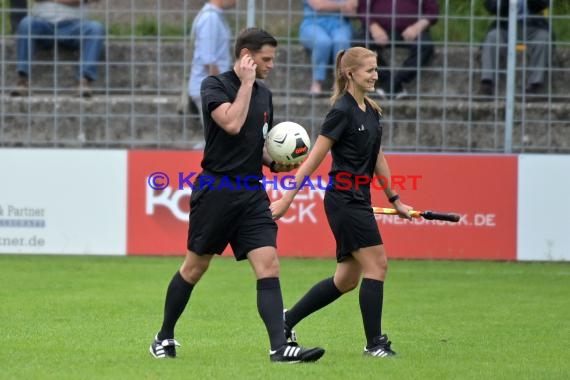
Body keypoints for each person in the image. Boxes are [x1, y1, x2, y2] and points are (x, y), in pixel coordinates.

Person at [149, 27, 325, 364]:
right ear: (246, 56)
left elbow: (253, 141)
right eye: (265, 59)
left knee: (269, 264)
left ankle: (279, 348)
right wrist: (245, 83)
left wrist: (274, 162)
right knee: (194, 268)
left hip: (251, 193)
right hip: (216, 191)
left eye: (273, 59)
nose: (271, 65)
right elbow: (230, 124)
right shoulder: (214, 85)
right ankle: (164, 336)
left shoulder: (264, 94)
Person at [271, 47, 412, 357]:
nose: (376, 75)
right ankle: (375, 344)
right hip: (344, 201)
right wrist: (287, 199)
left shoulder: (372, 110)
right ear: (351, 74)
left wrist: (395, 198)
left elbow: (377, 157)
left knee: (346, 280)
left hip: (359, 199)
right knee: (378, 265)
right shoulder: (341, 111)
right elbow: (311, 161)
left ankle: (285, 321)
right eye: (370, 70)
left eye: (376, 70)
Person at [11, 0, 105, 97]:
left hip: (75, 25)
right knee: (26, 23)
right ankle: (23, 80)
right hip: (43, 23)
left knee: (96, 28)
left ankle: (84, 81)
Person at [355, 0, 439, 100]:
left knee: (426, 46)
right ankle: (391, 83)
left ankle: (395, 82)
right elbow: (362, 8)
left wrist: (417, 27)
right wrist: (374, 27)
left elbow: (432, 12)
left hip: (413, 30)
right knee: (358, 45)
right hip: (378, 29)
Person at [185, 0, 235, 150]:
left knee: (216, 140)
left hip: (208, 87)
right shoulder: (210, 18)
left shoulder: (213, 16)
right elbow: (208, 58)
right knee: (217, 143)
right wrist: (220, 88)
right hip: (209, 88)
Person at [478, 0, 551, 98]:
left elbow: (544, 3)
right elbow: (491, 6)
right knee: (492, 37)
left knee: (543, 38)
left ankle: (535, 85)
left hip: (532, 25)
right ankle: (487, 82)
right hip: (505, 26)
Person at [299, 0, 357, 96]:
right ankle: (317, 81)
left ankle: (339, 82)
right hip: (312, 23)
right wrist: (342, 6)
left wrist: (332, 6)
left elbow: (353, 9)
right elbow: (319, 6)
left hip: (341, 24)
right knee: (322, 42)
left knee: (341, 42)